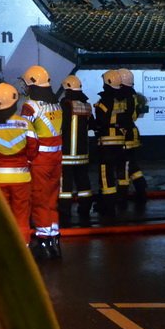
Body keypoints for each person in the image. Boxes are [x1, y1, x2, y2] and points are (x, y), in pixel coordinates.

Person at [0, 82, 38, 245]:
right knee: (21, 216)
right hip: (21, 179)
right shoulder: (25, 124)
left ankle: (2, 248)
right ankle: (23, 249)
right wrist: (26, 161)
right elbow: (34, 148)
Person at [20, 65, 64, 260]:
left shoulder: (30, 107)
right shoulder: (56, 104)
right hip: (56, 160)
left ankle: (44, 242)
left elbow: (27, 135)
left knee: (39, 202)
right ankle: (55, 241)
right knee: (52, 201)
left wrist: (26, 159)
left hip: (39, 161)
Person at [59, 74, 94, 225]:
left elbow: (61, 126)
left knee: (66, 184)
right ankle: (85, 207)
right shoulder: (86, 105)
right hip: (82, 153)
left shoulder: (66, 105)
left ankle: (64, 210)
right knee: (83, 182)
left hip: (67, 153)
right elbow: (92, 125)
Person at [93, 70, 126, 219]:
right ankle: (116, 202)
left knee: (106, 175)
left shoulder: (104, 101)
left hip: (106, 142)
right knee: (117, 172)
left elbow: (100, 121)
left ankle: (108, 206)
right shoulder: (124, 99)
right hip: (120, 141)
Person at [117, 68, 149, 206]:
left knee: (124, 165)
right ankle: (141, 188)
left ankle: (123, 196)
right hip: (133, 133)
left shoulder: (120, 96)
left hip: (124, 135)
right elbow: (134, 116)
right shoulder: (133, 96)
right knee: (132, 165)